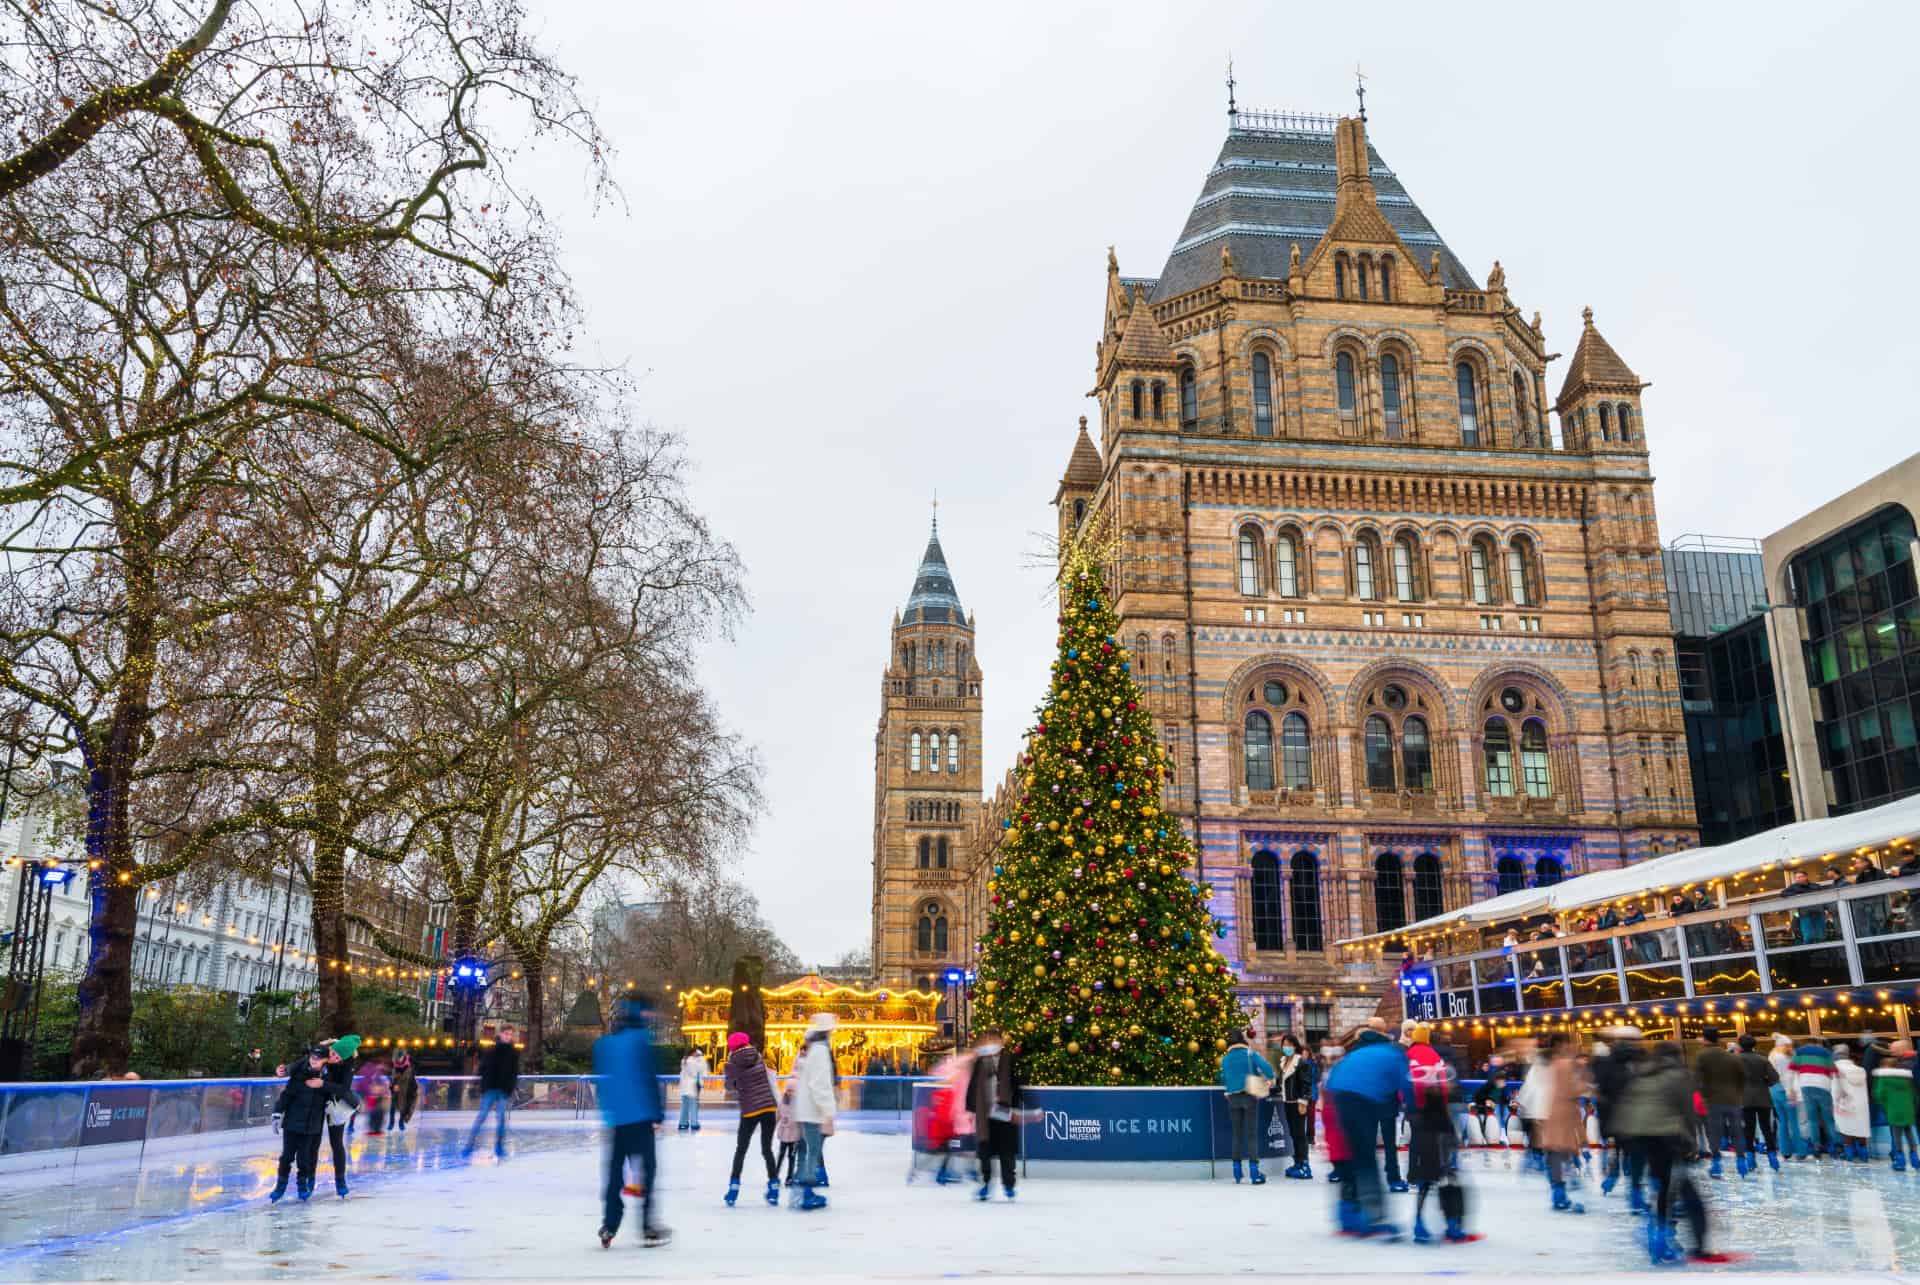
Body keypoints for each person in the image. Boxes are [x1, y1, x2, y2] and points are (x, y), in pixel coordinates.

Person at [1617, 1042, 1735, 1264]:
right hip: (1665, 1136)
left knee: (1667, 1188)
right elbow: (1687, 1113)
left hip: (1638, 1136)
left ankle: (1661, 1234)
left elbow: (1628, 1106)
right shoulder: (1679, 1075)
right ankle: (1663, 1237)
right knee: (1682, 1190)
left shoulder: (1643, 1073)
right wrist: (1692, 1146)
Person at [1325, 1022, 1411, 1239]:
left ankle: (1348, 1215)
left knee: (1353, 1157)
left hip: (1337, 1098)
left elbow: (1334, 1080)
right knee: (1366, 1159)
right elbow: (1406, 1087)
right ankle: (1374, 1217)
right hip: (1361, 1100)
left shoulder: (1356, 1053)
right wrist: (1415, 1109)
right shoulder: (1393, 1054)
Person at [593, 996, 667, 1248]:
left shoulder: (605, 1044)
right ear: (642, 1015)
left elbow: (602, 1080)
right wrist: (657, 1114)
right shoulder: (641, 1042)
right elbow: (648, 1078)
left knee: (615, 1173)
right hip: (640, 1116)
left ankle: (609, 1225)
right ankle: (647, 1225)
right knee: (647, 1170)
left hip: (615, 1118)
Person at [1405, 1024, 1476, 1243]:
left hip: (1420, 1122)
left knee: (1426, 1179)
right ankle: (1453, 1224)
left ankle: (1418, 1223)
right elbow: (1446, 1089)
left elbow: (1404, 1088)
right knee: (1449, 1177)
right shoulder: (1436, 1058)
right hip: (1439, 1122)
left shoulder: (1408, 1057)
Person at [269, 1045, 337, 1203]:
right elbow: (287, 1095)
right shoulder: (299, 1073)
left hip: (311, 1124)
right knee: (286, 1156)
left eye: (318, 1058)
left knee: (304, 1158)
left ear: (325, 1060)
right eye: (313, 1057)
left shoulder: (327, 1077)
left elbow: (336, 1093)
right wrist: (277, 1112)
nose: (314, 1060)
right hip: (292, 1123)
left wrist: (329, 1101)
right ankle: (280, 1185)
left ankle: (302, 1185)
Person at [721, 1032, 780, 1206]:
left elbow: (729, 1086)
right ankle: (774, 1186)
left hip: (750, 1110)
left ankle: (733, 1188)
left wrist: (735, 1080)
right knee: (767, 1149)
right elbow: (770, 1082)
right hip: (768, 1107)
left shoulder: (732, 1063)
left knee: (741, 1149)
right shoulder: (759, 1058)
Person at [1592, 1027, 1646, 1209]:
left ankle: (1615, 1179)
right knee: (1635, 1156)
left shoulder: (1605, 1063)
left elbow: (1601, 1095)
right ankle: (1634, 1191)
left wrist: (1606, 1126)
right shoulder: (1639, 1063)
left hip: (1617, 1120)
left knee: (1621, 1152)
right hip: (1633, 1119)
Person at [969, 1025, 1022, 1201]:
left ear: (1000, 1041)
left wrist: (1018, 1105)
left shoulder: (1010, 1059)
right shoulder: (980, 1061)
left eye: (994, 1039)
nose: (991, 1042)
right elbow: (973, 1086)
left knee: (1006, 1152)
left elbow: (1017, 1084)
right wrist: (970, 1109)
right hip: (986, 1115)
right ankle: (986, 1184)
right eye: (988, 1039)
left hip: (1004, 1111)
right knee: (985, 1151)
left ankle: (1009, 1185)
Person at [789, 1012, 836, 1211]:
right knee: (813, 1150)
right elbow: (820, 1083)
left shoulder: (813, 1049)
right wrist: (827, 1108)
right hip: (812, 1109)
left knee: (806, 1149)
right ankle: (805, 1193)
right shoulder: (821, 1051)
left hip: (805, 1107)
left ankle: (800, 1191)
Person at [1218, 1028, 1276, 1184]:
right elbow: (1267, 1068)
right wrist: (1270, 1079)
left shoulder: (1225, 1059)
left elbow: (1221, 1077)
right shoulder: (1250, 1054)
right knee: (1251, 1134)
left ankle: (1237, 1172)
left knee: (1236, 1135)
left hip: (1232, 1098)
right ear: (1242, 1039)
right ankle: (1254, 1172)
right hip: (1249, 1096)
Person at [1538, 1032, 1587, 1212]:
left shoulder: (1547, 1064)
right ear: (1562, 1045)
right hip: (1562, 1115)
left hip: (1551, 1114)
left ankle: (1558, 1194)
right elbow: (1572, 1089)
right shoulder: (1565, 1065)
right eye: (1570, 1043)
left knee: (1556, 1155)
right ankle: (1559, 1195)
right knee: (1559, 1154)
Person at [1696, 1028, 1749, 1178]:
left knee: (1715, 1133)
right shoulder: (1732, 1057)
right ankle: (1741, 1161)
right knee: (1736, 1131)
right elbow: (1742, 1077)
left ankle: (1717, 1164)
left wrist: (1703, 1094)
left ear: (1705, 1039)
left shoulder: (1702, 1056)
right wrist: (1737, 1093)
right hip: (1733, 1100)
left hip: (1713, 1101)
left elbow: (1697, 1079)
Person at [464, 1028, 520, 1159]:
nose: (508, 1036)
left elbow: (514, 1073)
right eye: (506, 1034)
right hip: (489, 1089)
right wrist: (475, 1084)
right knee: (481, 1117)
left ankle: (499, 1147)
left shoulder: (514, 1054)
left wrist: (511, 1089)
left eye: (511, 1035)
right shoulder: (490, 1051)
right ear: (501, 1034)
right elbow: (482, 1068)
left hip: (503, 1091)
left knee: (501, 1119)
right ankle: (469, 1146)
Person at [320, 1036, 360, 1197]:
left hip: (335, 1104)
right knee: (311, 1142)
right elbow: (303, 1062)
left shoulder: (348, 1064)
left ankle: (340, 1180)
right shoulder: (322, 1052)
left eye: (338, 1057)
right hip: (315, 1102)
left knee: (336, 1143)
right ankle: (307, 1180)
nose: (333, 1058)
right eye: (333, 1053)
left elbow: (343, 1089)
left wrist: (323, 1084)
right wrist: (321, 1045)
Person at [1873, 1039, 1920, 1171]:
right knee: (1909, 1132)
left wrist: (1885, 1105)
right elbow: (1914, 1094)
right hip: (1908, 1109)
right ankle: (1915, 1157)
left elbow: (1879, 1094)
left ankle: (1900, 1159)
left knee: (1896, 1135)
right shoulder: (1906, 1076)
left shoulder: (1884, 1078)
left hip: (1893, 1110)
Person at [1736, 1034, 1780, 1170]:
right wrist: (1766, 1082)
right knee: (1766, 1127)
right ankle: (1773, 1158)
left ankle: (1751, 1159)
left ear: (1740, 1045)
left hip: (1744, 1098)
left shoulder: (1735, 1060)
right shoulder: (1762, 1059)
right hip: (1763, 1097)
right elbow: (1775, 1077)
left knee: (1748, 1129)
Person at [1790, 1037, 1840, 1158]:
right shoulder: (1825, 1052)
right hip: (1823, 1085)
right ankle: (1837, 1145)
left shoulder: (1800, 1051)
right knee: (1828, 1118)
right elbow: (1834, 1070)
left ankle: (1816, 1146)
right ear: (1818, 1043)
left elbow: (1792, 1068)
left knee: (1812, 1119)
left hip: (1806, 1085)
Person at [1276, 1033, 1315, 1178]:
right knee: (1293, 1134)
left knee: (1300, 1135)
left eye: (1289, 1044)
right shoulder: (1284, 1062)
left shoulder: (1301, 1062)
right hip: (1288, 1103)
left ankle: (1305, 1165)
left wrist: (1303, 1101)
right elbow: (1282, 1084)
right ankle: (1297, 1162)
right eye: (1284, 1045)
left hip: (1298, 1103)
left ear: (1295, 1046)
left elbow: (1307, 1084)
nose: (1286, 1047)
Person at [1767, 1034, 1804, 1162]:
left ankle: (1785, 1151)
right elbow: (1788, 1076)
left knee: (1782, 1122)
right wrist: (1791, 1091)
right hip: (1787, 1091)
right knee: (1793, 1121)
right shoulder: (1785, 1058)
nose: (1791, 1047)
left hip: (1774, 1090)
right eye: (1789, 1045)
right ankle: (1800, 1151)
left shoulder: (1771, 1056)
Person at [1832, 1042, 1870, 1162]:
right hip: (1861, 1104)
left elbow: (1836, 1088)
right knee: (1861, 1128)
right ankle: (1864, 1154)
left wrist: (1836, 1100)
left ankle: (1849, 1153)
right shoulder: (1860, 1070)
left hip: (1844, 1102)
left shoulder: (1836, 1069)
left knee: (1846, 1128)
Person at [354, 1056, 391, 1138]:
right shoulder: (372, 1070)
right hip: (367, 1094)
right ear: (379, 1064)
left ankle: (375, 1128)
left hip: (371, 1095)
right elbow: (366, 1083)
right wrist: (373, 1091)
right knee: (375, 1111)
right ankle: (374, 1128)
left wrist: (382, 1091)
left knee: (377, 1111)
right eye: (383, 1065)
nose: (384, 1067)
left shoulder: (375, 1071)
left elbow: (379, 1083)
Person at [677, 1046, 709, 1134]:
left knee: (684, 1106)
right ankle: (694, 1124)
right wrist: (701, 1059)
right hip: (691, 1087)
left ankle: (682, 1123)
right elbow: (696, 1073)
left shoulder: (684, 1060)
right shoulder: (693, 1062)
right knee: (693, 1106)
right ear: (693, 1053)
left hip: (684, 1088)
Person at [388, 1049, 418, 1132]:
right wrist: (393, 1086)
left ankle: (401, 1123)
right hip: (396, 1090)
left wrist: (410, 1090)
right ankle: (391, 1123)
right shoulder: (394, 1064)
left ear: (403, 1056)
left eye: (399, 1058)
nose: (398, 1060)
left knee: (403, 1107)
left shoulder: (410, 1065)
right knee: (393, 1107)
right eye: (396, 1058)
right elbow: (391, 1078)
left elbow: (412, 1080)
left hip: (406, 1089)